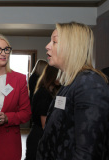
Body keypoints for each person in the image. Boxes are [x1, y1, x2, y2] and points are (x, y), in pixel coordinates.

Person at [37, 22, 109, 160]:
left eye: (54, 41)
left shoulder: (89, 83)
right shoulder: (71, 82)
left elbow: (88, 152)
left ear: (72, 47)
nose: (47, 46)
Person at [25, 64, 60, 160]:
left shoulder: (46, 92)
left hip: (38, 134)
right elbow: (45, 124)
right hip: (39, 136)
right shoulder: (44, 94)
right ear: (53, 76)